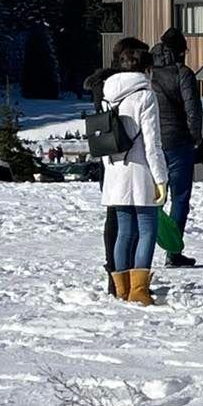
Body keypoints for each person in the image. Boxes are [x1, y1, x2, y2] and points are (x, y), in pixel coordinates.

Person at [98, 38, 170, 306]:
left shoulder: (108, 95)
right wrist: (161, 179)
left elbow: (103, 137)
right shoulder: (145, 96)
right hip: (141, 171)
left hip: (115, 170)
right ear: (146, 70)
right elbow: (153, 143)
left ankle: (121, 288)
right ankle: (139, 290)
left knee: (124, 232)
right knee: (147, 230)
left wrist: (110, 168)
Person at [149, 26, 203, 269]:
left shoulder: (148, 73)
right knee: (180, 198)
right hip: (179, 142)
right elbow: (193, 110)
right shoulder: (183, 73)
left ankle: (147, 248)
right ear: (181, 51)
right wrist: (197, 139)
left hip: (153, 142)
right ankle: (173, 251)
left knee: (154, 199)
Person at [84, 61, 120, 295]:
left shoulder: (100, 88)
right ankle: (125, 276)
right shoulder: (120, 88)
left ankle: (113, 272)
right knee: (129, 221)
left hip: (106, 159)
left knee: (112, 218)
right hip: (126, 159)